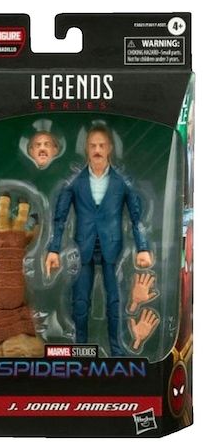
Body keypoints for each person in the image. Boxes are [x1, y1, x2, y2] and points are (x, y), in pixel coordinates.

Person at [45, 125, 152, 355]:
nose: (97, 150)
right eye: (93, 145)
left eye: (102, 145)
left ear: (110, 148)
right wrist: (53, 250)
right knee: (80, 302)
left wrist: (142, 247)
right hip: (83, 247)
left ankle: (116, 351)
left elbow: (136, 218)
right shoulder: (75, 182)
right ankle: (81, 349)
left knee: (114, 302)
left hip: (112, 249)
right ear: (86, 148)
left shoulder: (122, 183)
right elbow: (59, 218)